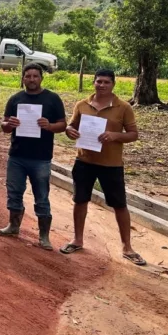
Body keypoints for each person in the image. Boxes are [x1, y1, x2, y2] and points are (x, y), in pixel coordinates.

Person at [59, 70, 145, 265]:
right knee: (80, 200)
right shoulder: (82, 105)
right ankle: (77, 239)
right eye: (99, 81)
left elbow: (133, 134)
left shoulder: (123, 107)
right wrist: (69, 131)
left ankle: (127, 247)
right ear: (94, 83)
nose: (102, 85)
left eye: (106, 82)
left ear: (113, 84)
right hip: (84, 161)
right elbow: (71, 126)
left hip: (111, 164)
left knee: (119, 205)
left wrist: (114, 136)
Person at [0, 63, 66, 250]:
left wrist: (49, 126)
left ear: (41, 78)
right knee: (14, 192)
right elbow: (4, 127)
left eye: (35, 76)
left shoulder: (52, 99)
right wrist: (9, 124)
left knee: (42, 196)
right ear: (23, 78)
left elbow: (62, 124)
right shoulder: (15, 99)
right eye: (28, 76)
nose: (31, 79)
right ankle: (13, 226)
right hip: (17, 155)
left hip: (41, 157)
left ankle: (44, 236)